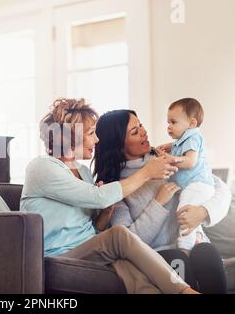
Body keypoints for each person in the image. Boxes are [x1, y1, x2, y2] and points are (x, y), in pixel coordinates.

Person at [20, 98, 198, 294]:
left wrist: (105, 215)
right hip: (57, 256)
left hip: (90, 250)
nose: (96, 140)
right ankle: (184, 291)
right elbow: (99, 196)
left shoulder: (83, 172)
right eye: (90, 134)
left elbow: (93, 229)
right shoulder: (42, 167)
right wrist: (147, 172)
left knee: (130, 269)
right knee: (119, 235)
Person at [93, 109, 231, 293]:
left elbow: (220, 189)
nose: (144, 131)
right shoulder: (117, 186)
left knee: (207, 252)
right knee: (177, 259)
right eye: (135, 132)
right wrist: (157, 204)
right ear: (119, 145)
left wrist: (203, 212)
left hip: (194, 245)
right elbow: (126, 242)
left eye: (140, 125)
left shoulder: (170, 157)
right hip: (157, 257)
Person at [156, 98, 215, 251]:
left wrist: (172, 159)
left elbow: (190, 162)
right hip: (197, 186)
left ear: (192, 123)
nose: (169, 127)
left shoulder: (193, 137)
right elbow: (181, 146)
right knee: (190, 214)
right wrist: (170, 146)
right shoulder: (185, 139)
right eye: (168, 122)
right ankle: (199, 239)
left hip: (198, 186)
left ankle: (186, 246)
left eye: (173, 122)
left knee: (184, 212)